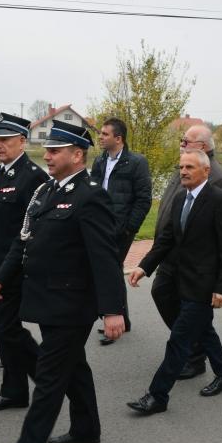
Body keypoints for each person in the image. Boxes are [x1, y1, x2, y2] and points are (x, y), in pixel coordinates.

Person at [0, 120, 125, 443]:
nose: (46, 156)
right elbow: (23, 239)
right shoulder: (46, 191)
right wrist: (1, 277)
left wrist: (113, 311)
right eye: (46, 150)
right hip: (46, 299)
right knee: (74, 367)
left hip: (71, 304)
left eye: (54, 151)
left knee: (49, 378)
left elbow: (104, 258)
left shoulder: (91, 195)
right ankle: (86, 428)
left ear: (77, 155)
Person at [126, 148, 222, 415]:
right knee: (204, 331)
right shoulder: (180, 198)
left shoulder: (219, 200)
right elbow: (166, 240)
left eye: (189, 167)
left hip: (204, 285)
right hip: (181, 280)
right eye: (181, 167)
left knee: (179, 340)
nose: (183, 172)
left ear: (206, 171)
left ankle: (157, 396)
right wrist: (144, 266)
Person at [0, 113, 49, 410]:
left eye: (5, 139)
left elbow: (29, 231)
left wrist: (4, 273)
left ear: (22, 141)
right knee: (5, 331)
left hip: (14, 270)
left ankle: (49, 379)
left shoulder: (34, 178)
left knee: (7, 330)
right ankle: (15, 391)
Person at [151, 124, 222, 380]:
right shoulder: (184, 167)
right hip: (170, 253)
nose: (181, 143)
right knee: (165, 296)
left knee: (191, 316)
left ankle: (189, 359)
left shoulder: (219, 179)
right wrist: (147, 262)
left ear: (203, 146)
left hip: (193, 264)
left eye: (186, 140)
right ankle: (219, 369)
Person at [90, 117, 152, 345]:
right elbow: (91, 191)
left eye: (105, 134)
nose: (100, 137)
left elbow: (143, 199)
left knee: (110, 271)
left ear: (118, 139)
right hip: (100, 227)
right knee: (112, 271)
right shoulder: (99, 161)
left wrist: (129, 229)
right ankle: (121, 320)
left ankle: (114, 323)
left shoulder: (137, 162)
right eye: (100, 133)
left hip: (121, 229)